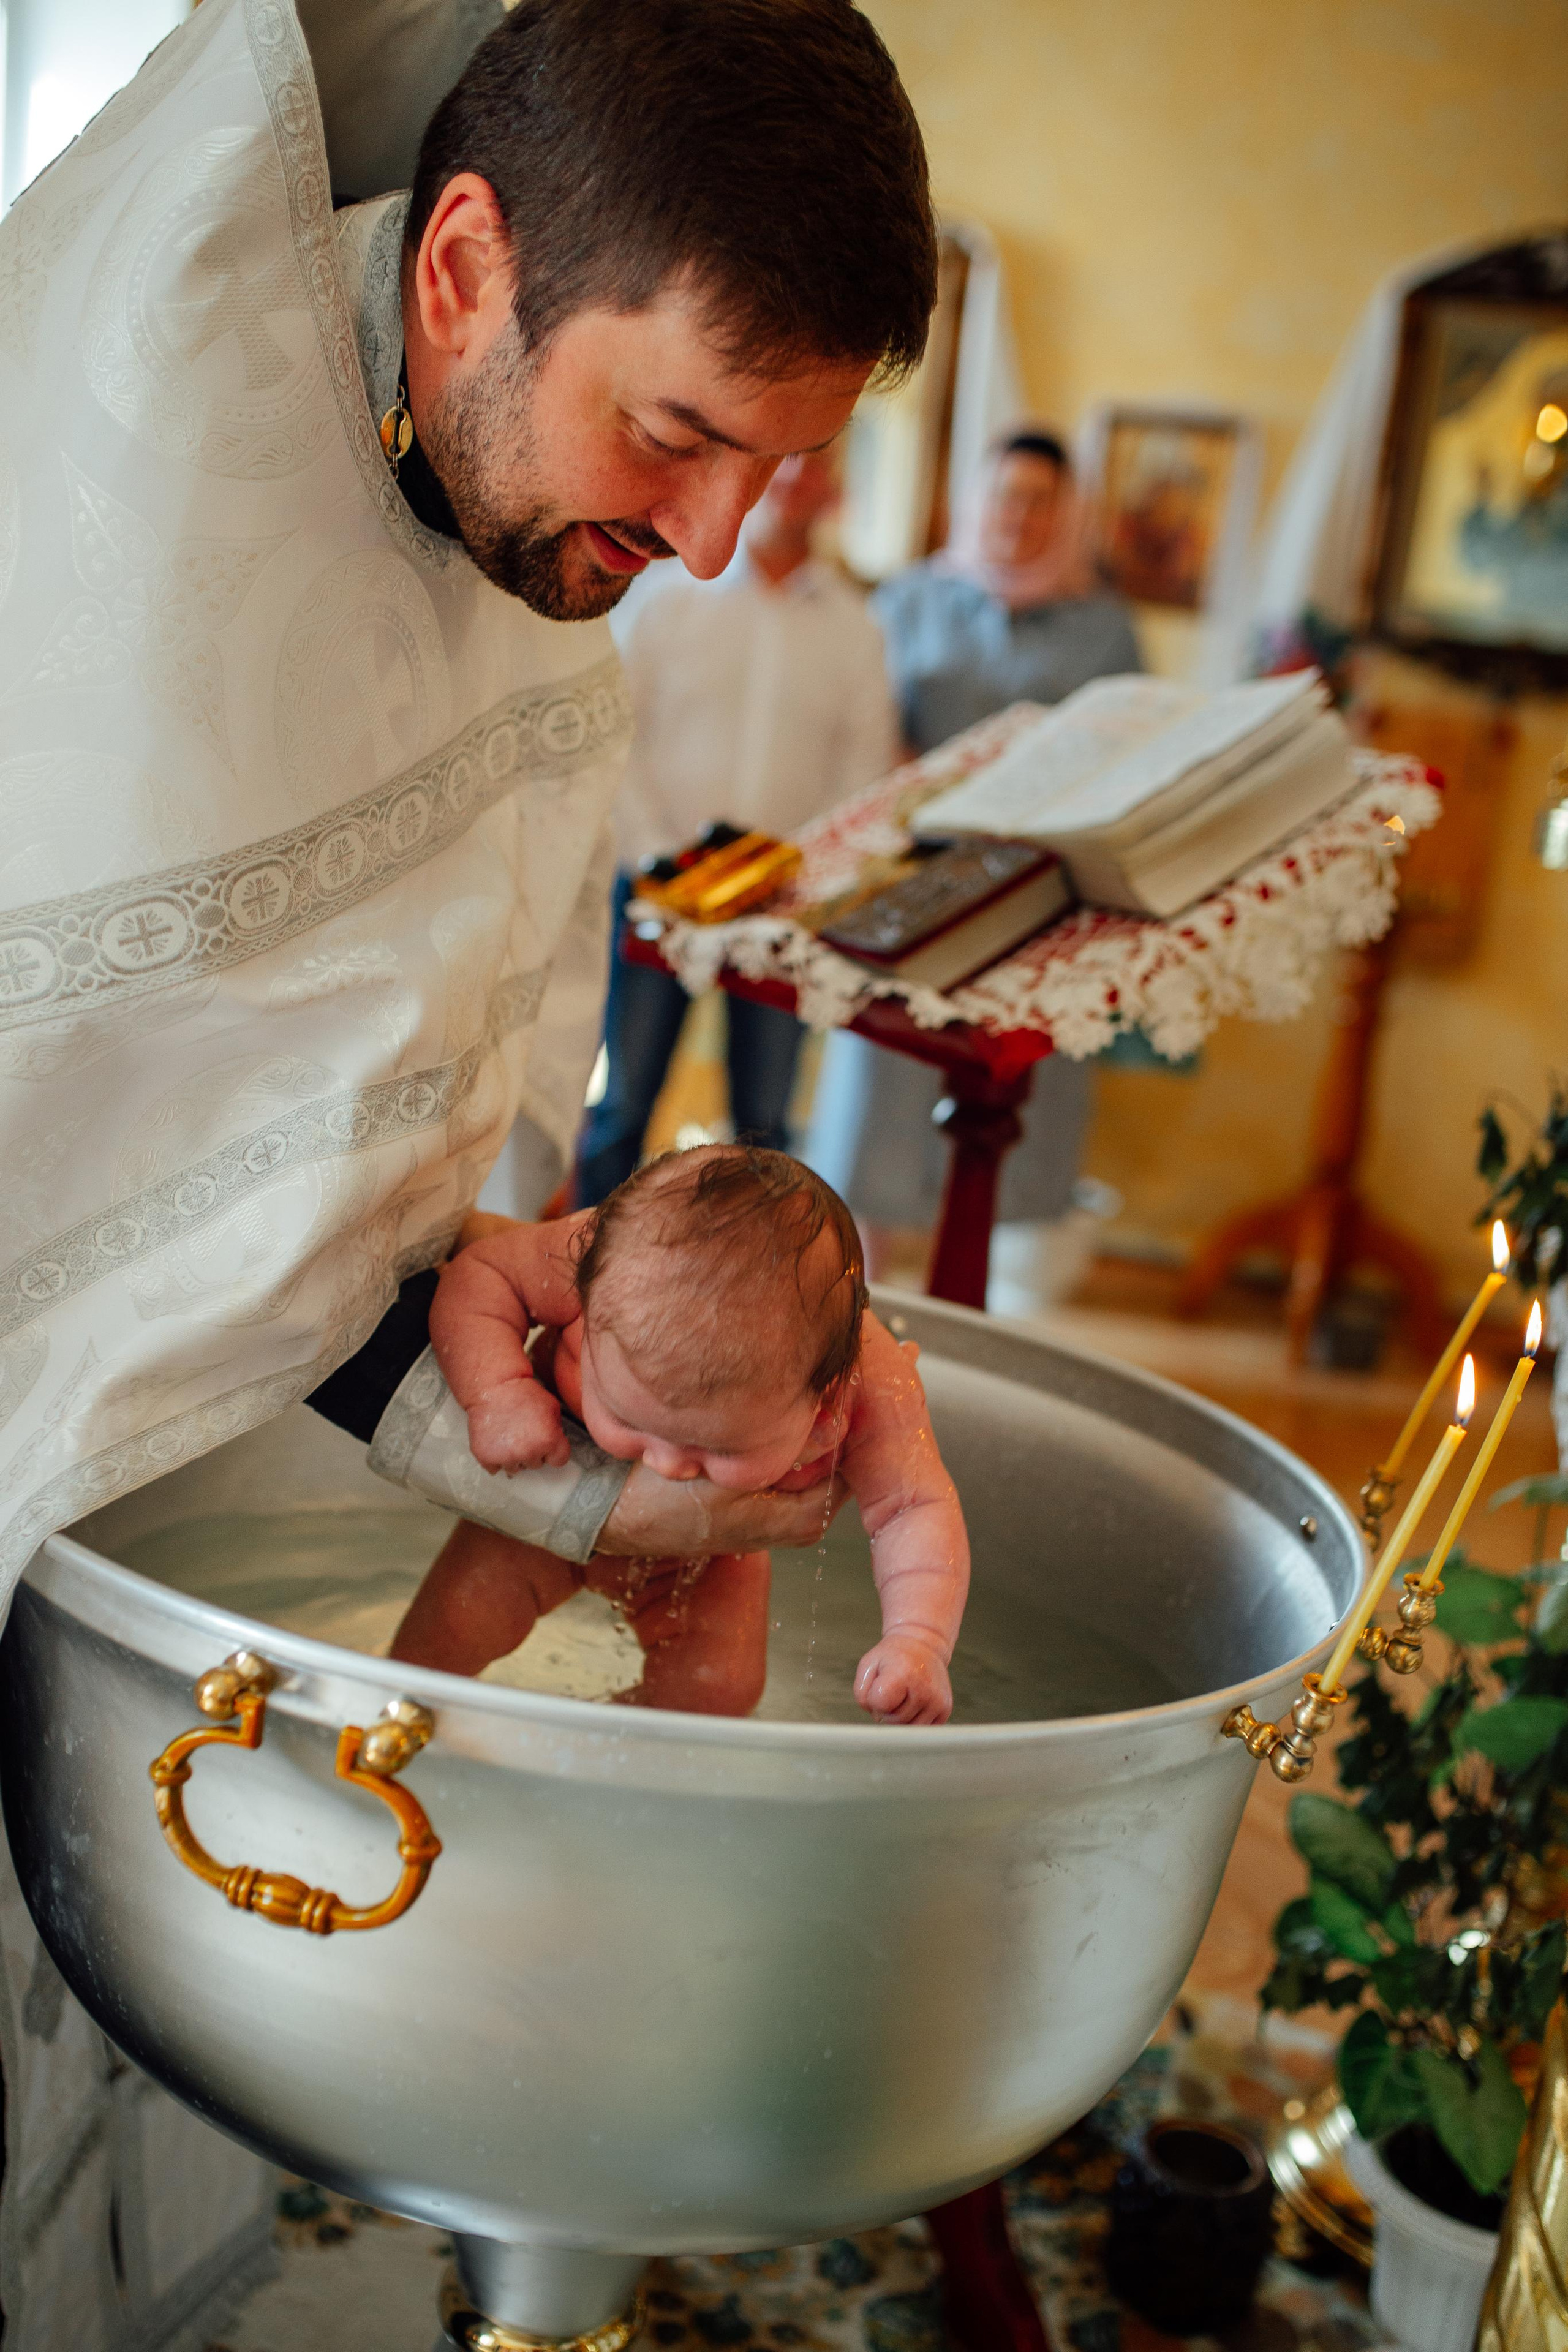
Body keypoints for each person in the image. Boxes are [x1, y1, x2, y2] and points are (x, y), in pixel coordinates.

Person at [0, 0, 938, 2335]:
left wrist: (583, 1337)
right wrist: (492, 1437)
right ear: (459, 270)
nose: (717, 546)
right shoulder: (89, 584)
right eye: (685, 437)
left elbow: (332, 1151)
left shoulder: (526, 531)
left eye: (776, 471)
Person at [393, 1147, 970, 1725]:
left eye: (718, 1449)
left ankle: (612, 1769)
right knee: (446, 1637)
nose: (667, 1467)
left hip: (710, 1555)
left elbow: (913, 1505)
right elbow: (483, 1275)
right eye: (629, 1420)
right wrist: (497, 1392)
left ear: (827, 1404)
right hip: (547, 1499)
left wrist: (919, 1640)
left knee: (718, 1692)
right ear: (588, 1314)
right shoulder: (595, 1257)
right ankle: (390, 1716)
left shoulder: (869, 1380)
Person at [805, 429, 1142, 1284]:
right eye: (1004, 496)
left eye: (1039, 501)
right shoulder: (911, 601)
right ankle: (867, 1287)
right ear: (974, 501)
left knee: (1007, 1095)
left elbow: (1125, 753)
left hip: (1038, 894)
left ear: (1067, 515)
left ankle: (980, 1293)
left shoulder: (1106, 628)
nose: (1017, 516)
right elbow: (864, 728)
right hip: (913, 884)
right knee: (885, 1085)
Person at [575, 449, 896, 1202]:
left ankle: (747, 1298)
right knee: (624, 1105)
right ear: (751, 477)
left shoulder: (856, 629)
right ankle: (578, 1277)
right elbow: (616, 734)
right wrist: (665, 865)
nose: (795, 484)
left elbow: (862, 772)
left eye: (815, 471)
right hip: (660, 890)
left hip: (784, 914)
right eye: (781, 466)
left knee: (765, 1125)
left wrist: (800, 886)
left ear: (834, 493)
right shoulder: (665, 597)